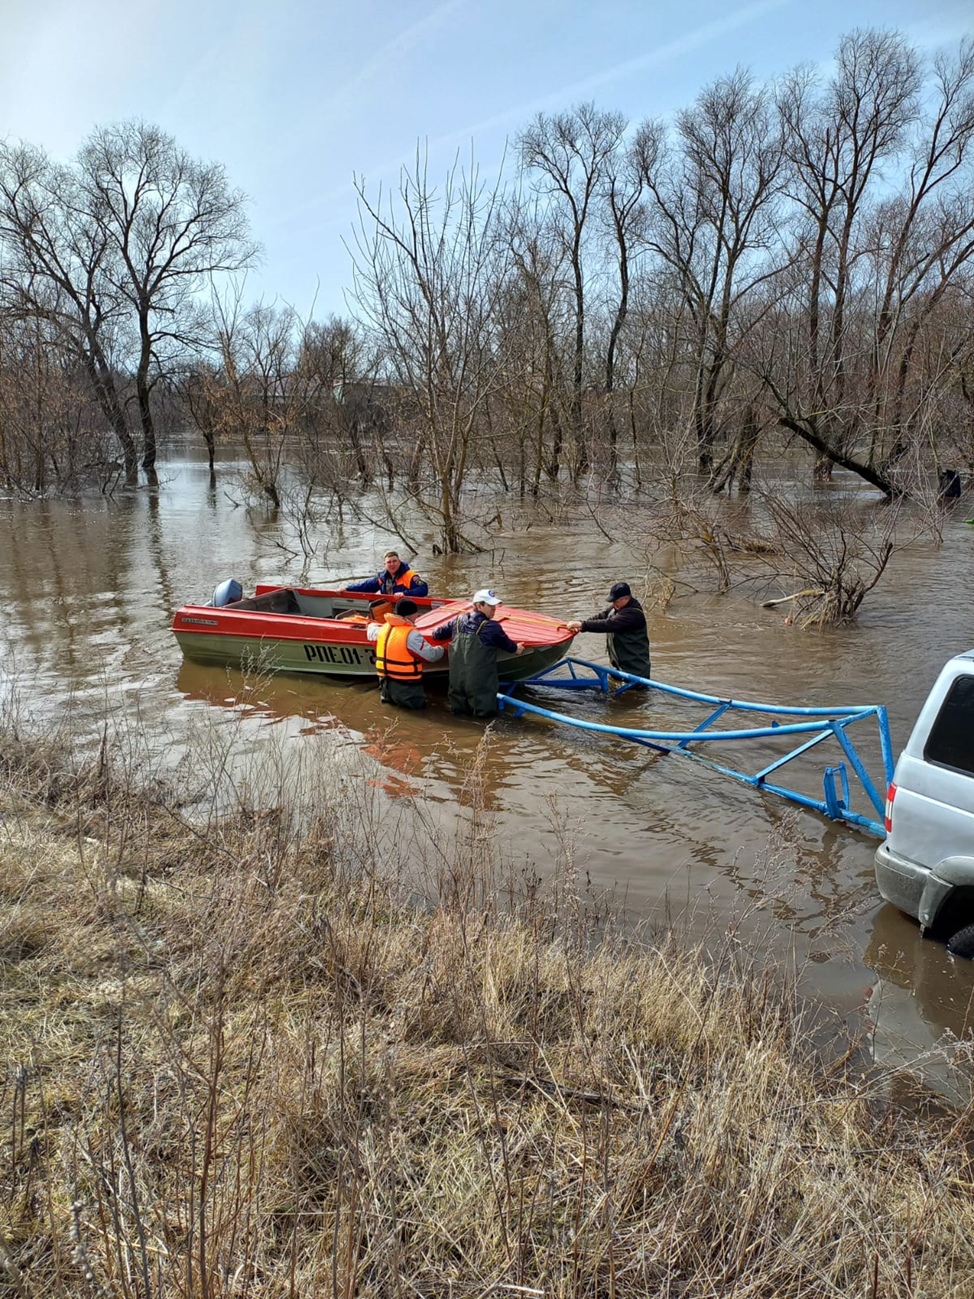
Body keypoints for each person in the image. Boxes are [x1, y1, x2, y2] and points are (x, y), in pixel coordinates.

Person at [431, 589, 525, 718]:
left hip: (457, 684)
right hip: (481, 687)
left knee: (459, 718)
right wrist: (517, 648)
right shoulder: (492, 627)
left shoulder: (457, 621)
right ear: (479, 606)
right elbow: (510, 647)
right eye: (490, 606)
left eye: (494, 606)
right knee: (484, 720)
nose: (494, 609)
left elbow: (436, 634)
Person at [367, 598, 445, 709]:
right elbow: (431, 656)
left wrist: (369, 623)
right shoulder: (411, 635)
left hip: (385, 684)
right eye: (416, 614)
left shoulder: (383, 628)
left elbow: (370, 630)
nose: (417, 616)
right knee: (416, 713)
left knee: (390, 709)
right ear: (412, 614)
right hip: (406, 687)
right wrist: (443, 648)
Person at [566, 581, 651, 681]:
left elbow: (608, 624)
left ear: (626, 598)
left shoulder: (633, 614)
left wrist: (583, 625)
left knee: (633, 695)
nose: (613, 603)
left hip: (635, 670)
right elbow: (602, 616)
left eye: (616, 601)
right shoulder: (617, 606)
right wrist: (580, 625)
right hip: (618, 667)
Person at [343, 550, 428, 597]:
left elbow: (423, 589)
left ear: (399, 562)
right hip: (391, 607)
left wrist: (405, 593)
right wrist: (347, 589)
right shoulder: (382, 578)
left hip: (407, 608)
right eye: (389, 562)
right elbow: (365, 586)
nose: (392, 564)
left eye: (394, 561)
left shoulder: (410, 576)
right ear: (385, 565)